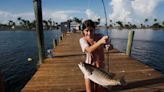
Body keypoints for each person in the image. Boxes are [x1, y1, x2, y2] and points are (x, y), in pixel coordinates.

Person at [79, 19, 110, 92]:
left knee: (99, 90)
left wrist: (109, 46)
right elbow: (89, 50)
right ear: (83, 31)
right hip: (89, 68)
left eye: (91, 30)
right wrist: (100, 42)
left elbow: (109, 46)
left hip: (101, 67)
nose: (89, 33)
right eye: (86, 30)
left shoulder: (100, 36)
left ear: (94, 29)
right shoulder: (82, 40)